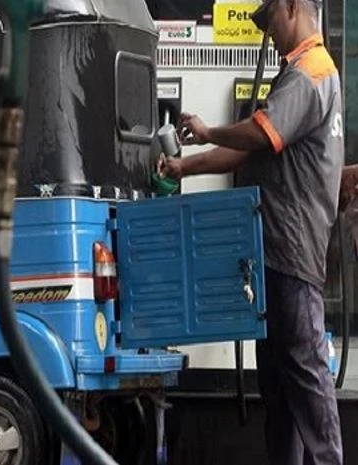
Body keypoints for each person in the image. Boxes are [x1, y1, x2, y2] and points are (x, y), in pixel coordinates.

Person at [157, 0, 344, 463]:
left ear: (293, 7)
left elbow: (260, 135)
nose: (271, 33)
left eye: (271, 21)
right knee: (279, 391)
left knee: (306, 378)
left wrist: (209, 128)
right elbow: (250, 151)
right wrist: (185, 165)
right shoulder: (297, 75)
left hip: (292, 251)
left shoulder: (311, 72)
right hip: (272, 256)